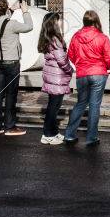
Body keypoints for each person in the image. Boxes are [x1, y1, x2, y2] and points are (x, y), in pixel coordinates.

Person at [64, 10, 110, 146]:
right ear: (96, 21)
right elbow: (109, 56)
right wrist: (106, 67)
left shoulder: (76, 37)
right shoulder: (102, 37)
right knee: (94, 105)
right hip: (98, 73)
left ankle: (69, 134)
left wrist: (79, 64)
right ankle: (91, 137)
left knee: (80, 103)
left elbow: (70, 54)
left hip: (82, 74)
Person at [0, 0, 33, 136]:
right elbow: (29, 26)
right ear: (5, 8)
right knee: (11, 95)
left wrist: (11, 9)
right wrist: (25, 11)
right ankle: (10, 126)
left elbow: (3, 20)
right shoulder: (12, 23)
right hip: (12, 62)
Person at [38, 12, 74, 144]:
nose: (60, 23)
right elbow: (62, 60)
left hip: (52, 76)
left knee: (53, 106)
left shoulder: (47, 38)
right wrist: (70, 69)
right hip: (57, 77)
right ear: (53, 24)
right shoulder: (55, 39)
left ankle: (53, 131)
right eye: (58, 20)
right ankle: (47, 134)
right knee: (53, 107)